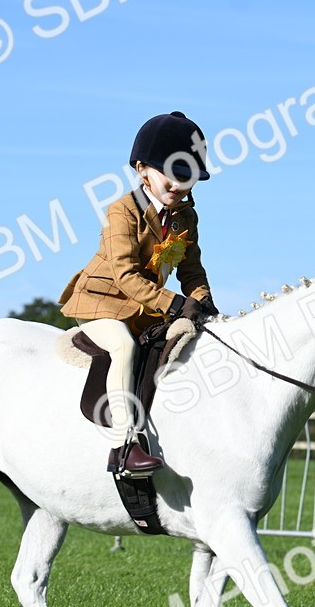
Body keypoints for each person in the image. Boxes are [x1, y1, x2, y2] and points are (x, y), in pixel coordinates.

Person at [59, 111, 218, 476]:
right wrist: (176, 304)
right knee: (124, 347)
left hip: (144, 308)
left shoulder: (186, 218)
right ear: (142, 169)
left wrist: (204, 302)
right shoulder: (122, 211)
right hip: (101, 302)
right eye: (172, 174)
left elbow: (191, 270)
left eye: (188, 177)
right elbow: (126, 276)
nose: (179, 185)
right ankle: (124, 446)